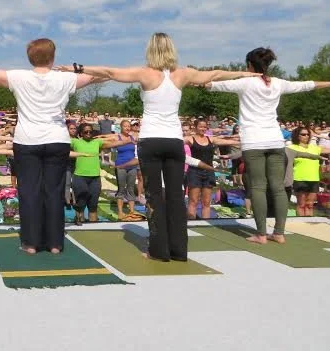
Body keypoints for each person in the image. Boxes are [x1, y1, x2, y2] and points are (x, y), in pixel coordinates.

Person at [61, 33, 259, 261]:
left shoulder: (145, 73)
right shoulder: (183, 74)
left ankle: (158, 250)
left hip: (151, 142)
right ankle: (179, 251)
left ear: (151, 50)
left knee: (154, 196)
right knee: (176, 196)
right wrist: (246, 74)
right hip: (174, 141)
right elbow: (215, 73)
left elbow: (110, 72)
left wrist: (78, 68)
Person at [0, 38, 105, 254]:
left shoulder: (19, 76)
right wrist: (77, 68)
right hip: (57, 141)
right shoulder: (65, 78)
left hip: (27, 141)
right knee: (54, 192)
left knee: (29, 192)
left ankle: (30, 243)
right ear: (53, 57)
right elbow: (100, 75)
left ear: (29, 58)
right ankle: (55, 244)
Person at [206, 47, 330, 244]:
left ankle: (261, 234)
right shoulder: (278, 83)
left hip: (253, 142)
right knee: (278, 188)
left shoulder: (244, 82)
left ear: (249, 64)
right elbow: (308, 85)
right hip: (275, 140)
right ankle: (279, 233)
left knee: (257, 187)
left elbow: (208, 84)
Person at [70, 122, 133, 225]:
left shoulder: (97, 142)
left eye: (90, 131)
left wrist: (129, 140)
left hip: (95, 178)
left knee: (93, 205)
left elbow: (114, 142)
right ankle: (79, 223)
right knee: (80, 204)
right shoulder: (75, 142)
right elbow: (62, 148)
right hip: (80, 177)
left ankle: (93, 227)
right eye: (86, 131)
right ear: (80, 133)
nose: (88, 133)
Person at [184, 119, 240, 219]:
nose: (203, 129)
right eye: (200, 126)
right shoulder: (190, 139)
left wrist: (244, 142)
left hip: (209, 172)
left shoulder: (211, 139)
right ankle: (191, 222)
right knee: (193, 201)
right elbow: (176, 141)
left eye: (205, 127)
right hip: (194, 172)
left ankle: (206, 222)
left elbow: (228, 142)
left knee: (206, 202)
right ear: (195, 127)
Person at [287, 126, 329, 217]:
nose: (306, 136)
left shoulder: (315, 148)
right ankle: (301, 223)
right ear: (297, 136)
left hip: (314, 179)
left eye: (308, 134)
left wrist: (320, 136)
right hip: (299, 179)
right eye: (303, 134)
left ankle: (309, 221)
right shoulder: (291, 148)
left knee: (310, 205)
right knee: (301, 204)